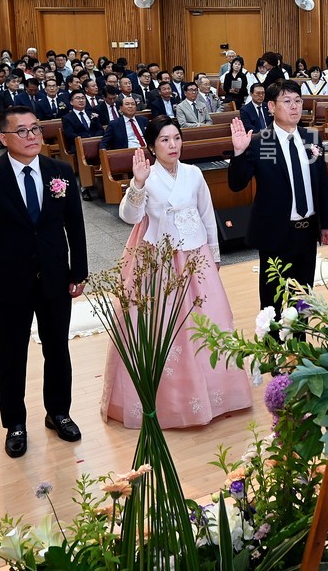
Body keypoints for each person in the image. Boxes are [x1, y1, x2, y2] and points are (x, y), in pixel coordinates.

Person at [0, 108, 89, 458]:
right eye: (21, 131)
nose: (32, 136)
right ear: (4, 138)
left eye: (35, 128)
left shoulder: (59, 171)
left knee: (57, 349)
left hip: (54, 276)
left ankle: (59, 412)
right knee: (10, 355)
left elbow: (75, 224)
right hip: (9, 278)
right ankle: (15, 423)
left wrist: (79, 271)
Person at [101, 117, 253, 428]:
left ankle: (217, 393)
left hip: (196, 257)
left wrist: (214, 255)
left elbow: (206, 215)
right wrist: (137, 184)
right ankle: (169, 401)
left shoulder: (194, 174)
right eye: (165, 140)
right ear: (152, 146)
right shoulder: (147, 177)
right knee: (163, 328)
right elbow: (129, 216)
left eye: (177, 138)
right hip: (160, 261)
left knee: (207, 322)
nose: (173, 145)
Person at [229, 80, 328, 309]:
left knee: (303, 300)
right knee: (272, 303)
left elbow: (322, 183)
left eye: (298, 101)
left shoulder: (312, 138)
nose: (294, 106)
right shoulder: (261, 142)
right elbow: (237, 184)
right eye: (286, 101)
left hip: (307, 231)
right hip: (275, 232)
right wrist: (239, 152)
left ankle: (300, 333)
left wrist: (326, 223)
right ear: (271, 106)